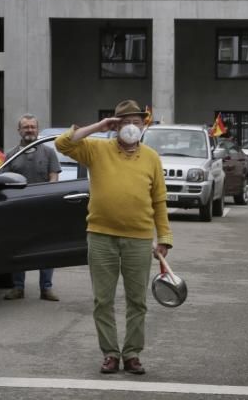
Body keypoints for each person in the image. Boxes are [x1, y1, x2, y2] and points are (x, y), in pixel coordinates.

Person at [55, 100, 173, 375]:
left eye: (137, 122)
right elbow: (63, 144)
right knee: (103, 300)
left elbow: (159, 199)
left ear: (144, 126)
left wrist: (164, 236)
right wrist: (99, 127)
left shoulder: (151, 157)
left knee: (137, 301)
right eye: (125, 122)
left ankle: (132, 354)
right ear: (115, 125)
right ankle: (110, 353)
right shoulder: (97, 149)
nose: (131, 127)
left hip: (139, 238)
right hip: (101, 236)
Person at [3, 113, 61, 302]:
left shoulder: (49, 153)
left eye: (32, 127)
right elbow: (3, 182)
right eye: (26, 127)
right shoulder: (11, 155)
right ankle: (18, 288)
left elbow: (54, 177)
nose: (29, 130)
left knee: (46, 249)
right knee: (19, 249)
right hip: (19, 211)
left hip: (43, 210)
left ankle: (46, 288)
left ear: (37, 129)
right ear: (19, 130)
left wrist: (49, 198)